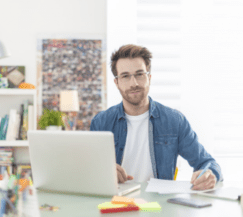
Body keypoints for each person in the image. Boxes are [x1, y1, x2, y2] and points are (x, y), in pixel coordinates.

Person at [90, 44, 223, 190]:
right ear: (117, 82)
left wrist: (211, 174)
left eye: (140, 74)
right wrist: (104, 173)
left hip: (159, 207)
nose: (134, 83)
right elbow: (88, 168)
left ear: (149, 78)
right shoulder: (101, 122)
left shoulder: (174, 121)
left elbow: (207, 163)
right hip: (115, 204)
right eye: (125, 76)